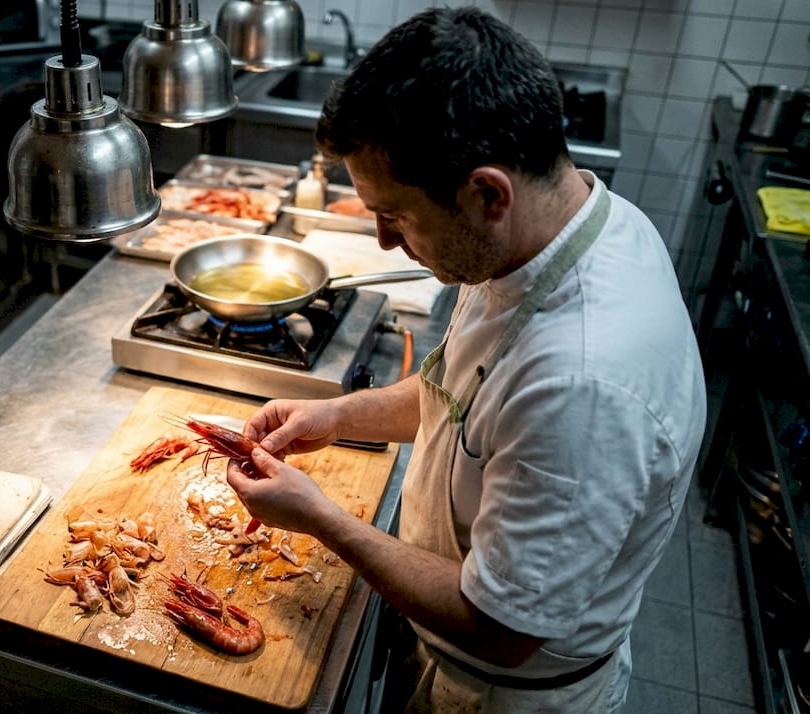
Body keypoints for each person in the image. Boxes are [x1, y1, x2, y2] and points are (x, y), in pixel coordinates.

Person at [224, 7, 707, 712]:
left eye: (397, 215)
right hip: (447, 645)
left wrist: (321, 516)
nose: (386, 241)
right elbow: (463, 393)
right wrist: (338, 414)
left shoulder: (585, 383)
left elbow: (503, 628)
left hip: (498, 691)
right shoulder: (553, 233)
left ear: (486, 194)